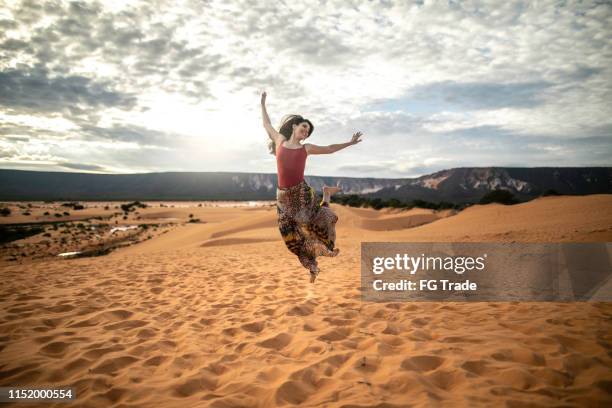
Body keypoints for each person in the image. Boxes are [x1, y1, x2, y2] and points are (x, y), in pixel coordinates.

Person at [260, 91, 363, 282]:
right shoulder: (280, 141)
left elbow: (330, 148)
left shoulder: (306, 148)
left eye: (308, 131)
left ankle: (318, 253)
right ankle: (311, 264)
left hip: (300, 193)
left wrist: (350, 142)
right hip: (282, 197)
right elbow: (266, 124)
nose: (306, 132)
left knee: (310, 224)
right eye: (304, 127)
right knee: (289, 234)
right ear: (294, 126)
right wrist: (263, 103)